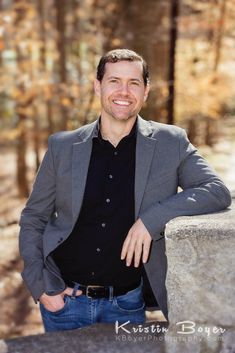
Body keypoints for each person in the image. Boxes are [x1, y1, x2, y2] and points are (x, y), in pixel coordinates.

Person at [19, 49, 231, 332]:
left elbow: (216, 190)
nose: (124, 91)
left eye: (134, 83)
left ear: (146, 91)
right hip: (65, 303)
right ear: (98, 86)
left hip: (127, 305)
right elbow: (34, 218)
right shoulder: (62, 147)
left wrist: (152, 219)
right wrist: (42, 286)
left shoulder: (171, 142)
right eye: (114, 81)